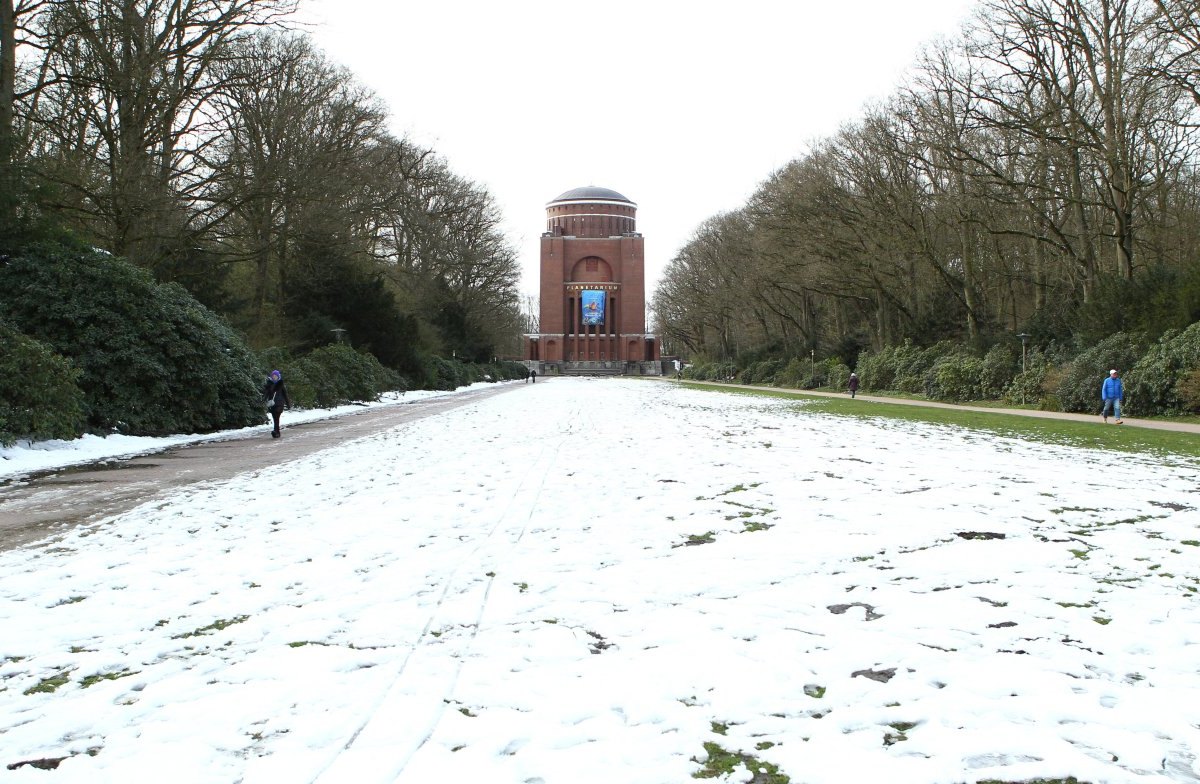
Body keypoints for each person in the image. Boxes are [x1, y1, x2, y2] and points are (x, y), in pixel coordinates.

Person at [263, 369, 291, 438]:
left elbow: (285, 395)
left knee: (276, 417)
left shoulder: (281, 384)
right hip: (272, 404)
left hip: (279, 404)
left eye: (275, 376)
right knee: (275, 418)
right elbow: (266, 394)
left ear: (278, 376)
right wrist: (263, 400)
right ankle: (277, 432)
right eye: (273, 376)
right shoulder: (269, 384)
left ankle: (276, 431)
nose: (274, 377)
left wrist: (288, 404)